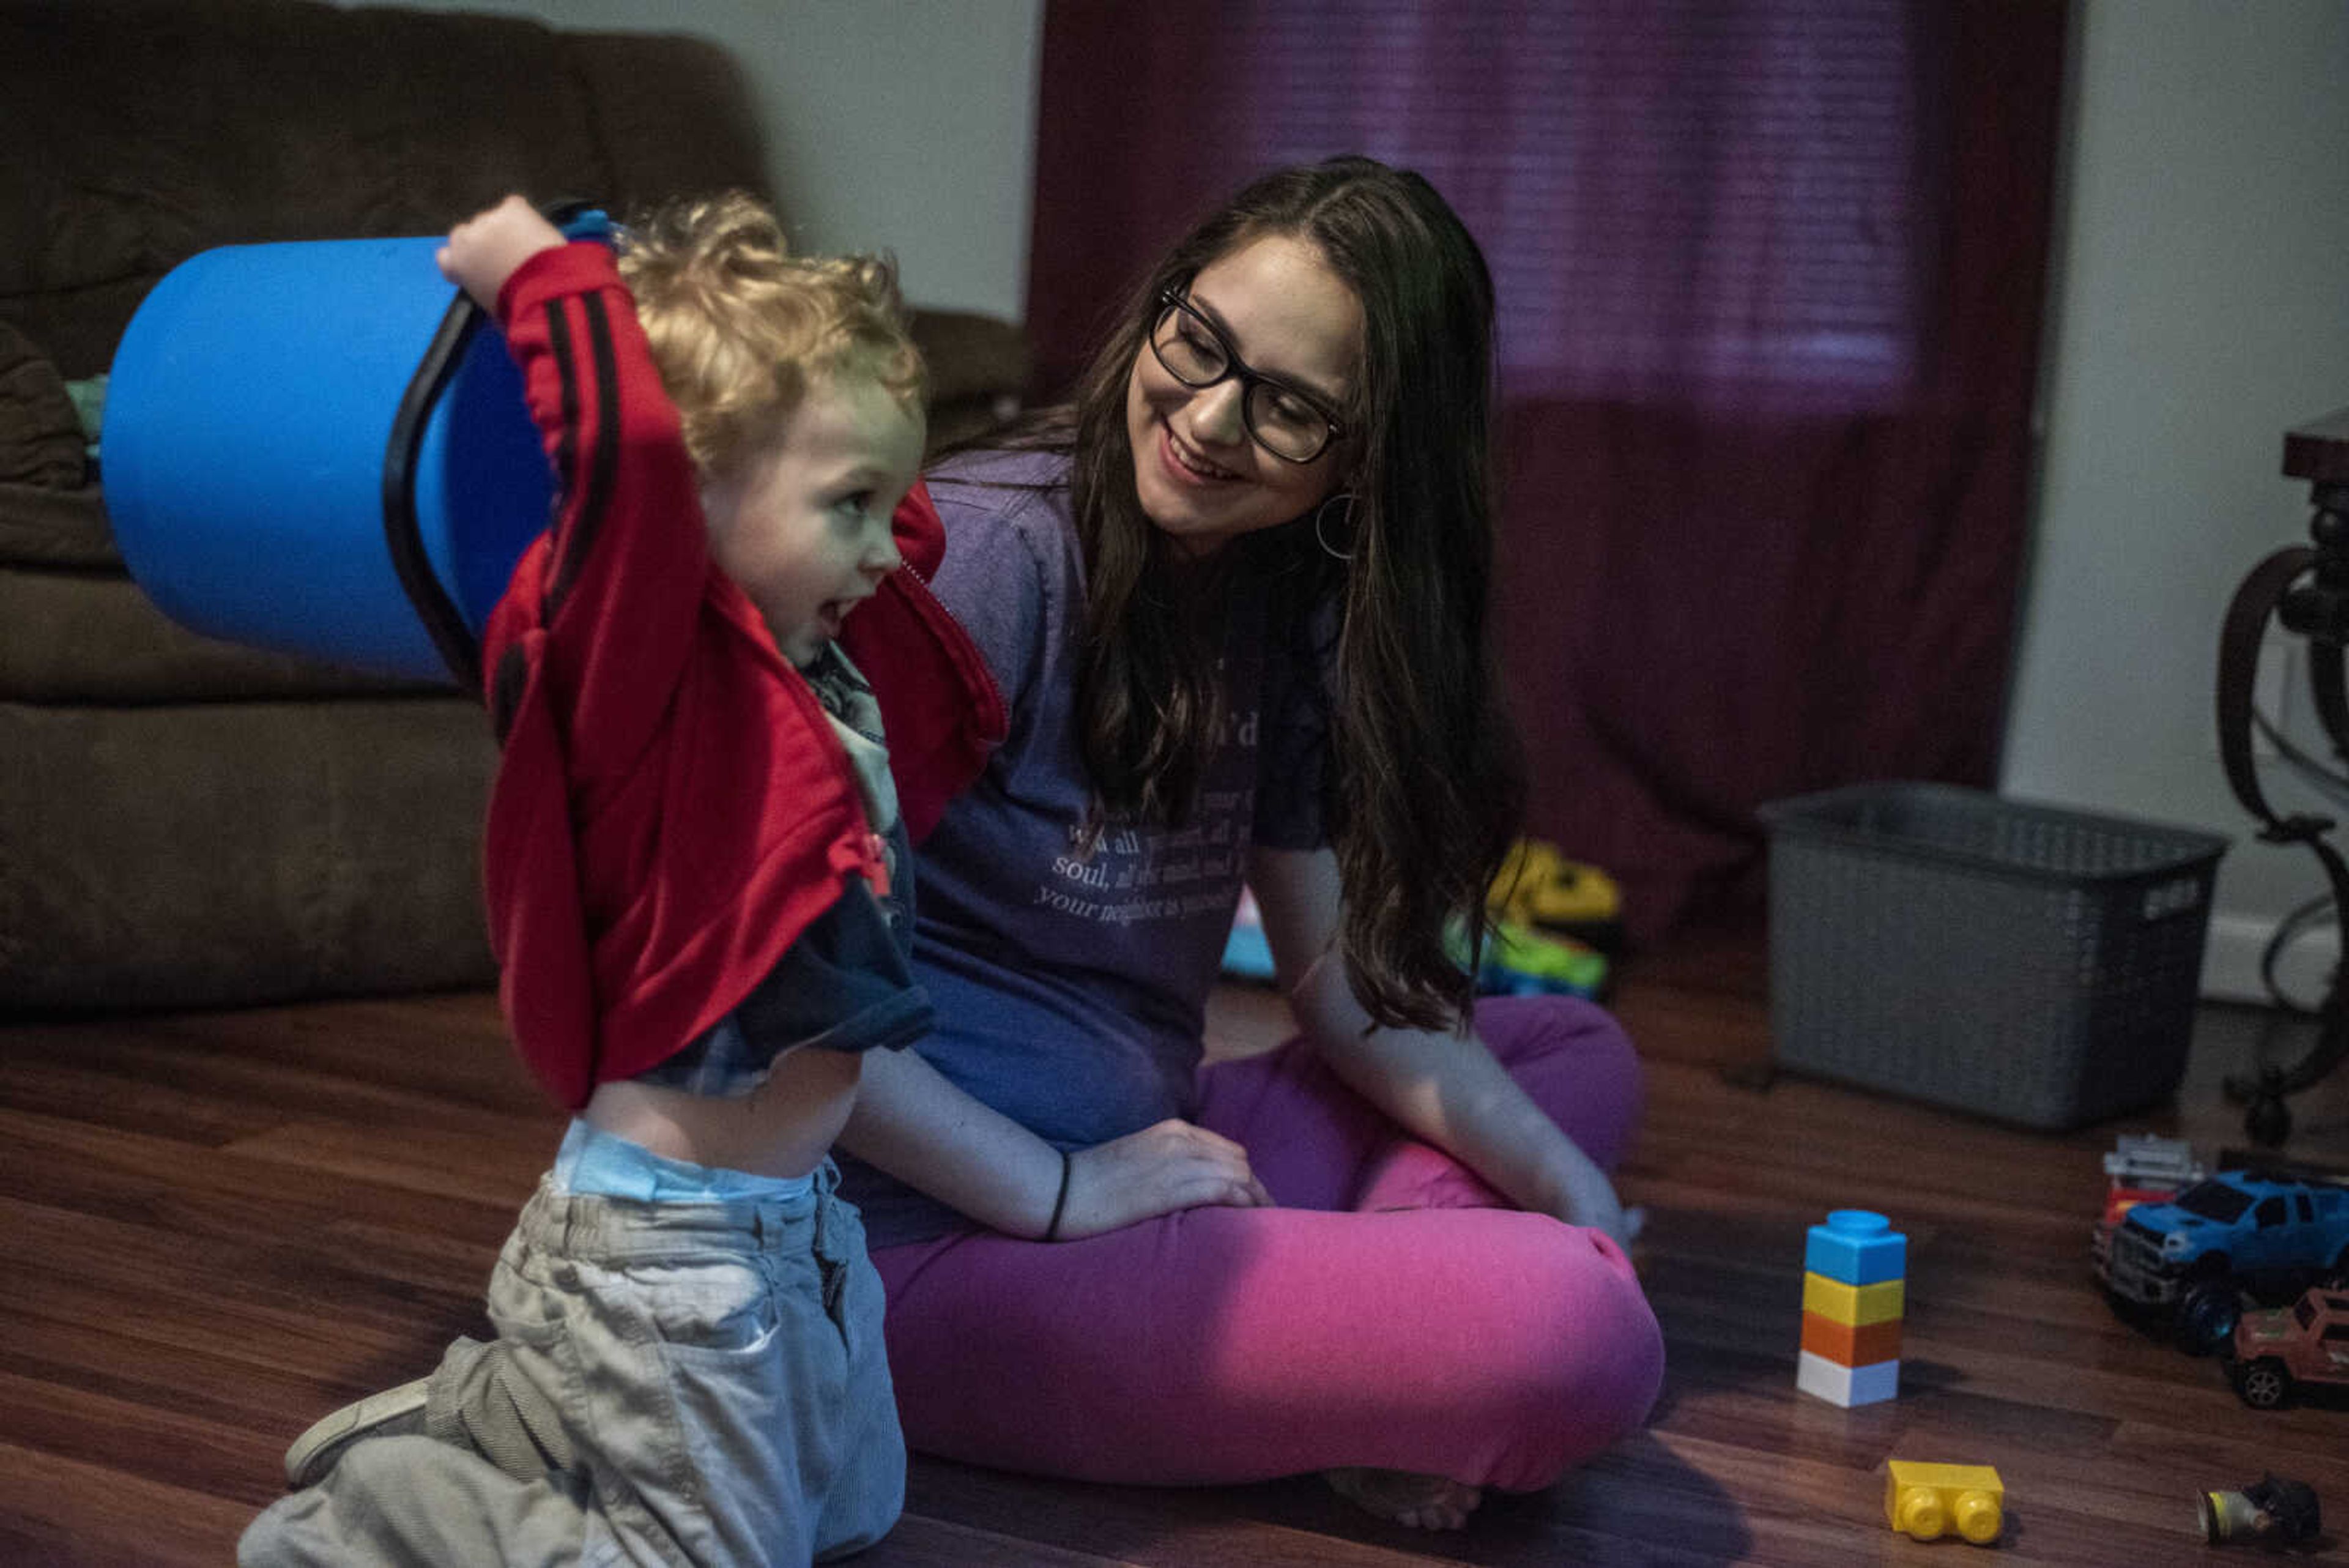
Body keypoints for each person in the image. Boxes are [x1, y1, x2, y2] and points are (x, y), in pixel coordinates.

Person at [834, 155, 1664, 1533]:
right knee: (1585, 1326)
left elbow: (1339, 980)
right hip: (926, 1240)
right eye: (1200, 341)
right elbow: (782, 1001)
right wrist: (1058, 1190)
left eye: (1289, 408)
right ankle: (1399, 1348)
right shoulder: (991, 559)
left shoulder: (1274, 590)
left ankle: (1380, 1345)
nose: (1209, 418)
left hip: (1157, 1149)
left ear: (1366, 461)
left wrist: (1565, 1184)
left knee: (1571, 1060)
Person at [239, 191, 1003, 1566]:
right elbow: (629, 458)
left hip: (798, 1230)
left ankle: (508, 1404)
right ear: (695, 493)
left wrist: (828, 395)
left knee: (860, 1512)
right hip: (666, 1256)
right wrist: (544, 275)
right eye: (850, 508)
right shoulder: (637, 680)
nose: (887, 546)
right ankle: (382, 1513)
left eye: (886, 503)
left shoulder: (815, 659)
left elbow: (904, 524)